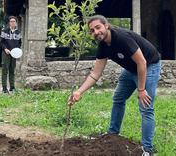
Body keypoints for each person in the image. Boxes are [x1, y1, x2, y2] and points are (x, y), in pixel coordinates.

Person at [68, 15, 161, 156]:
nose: (96, 32)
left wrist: (141, 89)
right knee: (118, 98)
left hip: (149, 66)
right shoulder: (103, 46)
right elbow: (95, 74)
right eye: (92, 30)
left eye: (98, 27)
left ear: (107, 25)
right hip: (130, 69)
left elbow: (142, 62)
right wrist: (79, 92)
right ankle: (112, 134)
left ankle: (147, 149)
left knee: (146, 107)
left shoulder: (122, 38)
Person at [0, 16, 22, 93]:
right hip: (6, 53)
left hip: (14, 54)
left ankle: (12, 87)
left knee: (12, 70)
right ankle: (4, 88)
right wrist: (5, 49)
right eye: (11, 21)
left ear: (16, 23)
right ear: (9, 22)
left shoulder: (18, 32)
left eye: (14, 21)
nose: (12, 23)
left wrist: (17, 51)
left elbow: (19, 43)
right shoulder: (4, 31)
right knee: (5, 70)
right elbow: (1, 42)